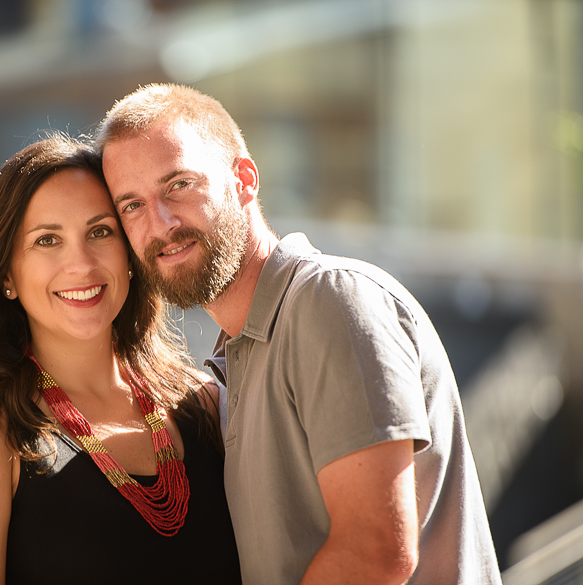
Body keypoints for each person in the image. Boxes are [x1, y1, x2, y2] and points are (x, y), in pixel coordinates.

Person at [97, 83, 502, 585]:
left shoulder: (329, 301)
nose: (159, 223)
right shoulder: (235, 362)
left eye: (178, 184)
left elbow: (375, 552)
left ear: (244, 179)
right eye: (131, 205)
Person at [0, 133, 242, 584]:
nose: (81, 264)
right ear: (7, 275)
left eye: (100, 232)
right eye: (47, 240)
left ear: (130, 253)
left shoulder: (207, 403)